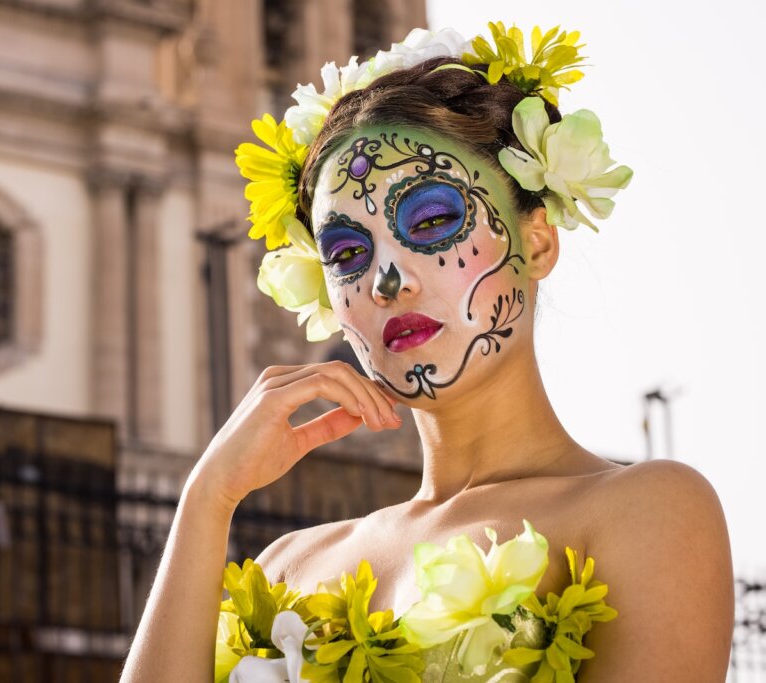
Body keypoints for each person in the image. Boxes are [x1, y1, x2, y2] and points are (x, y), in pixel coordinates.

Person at [120, 23, 733, 683]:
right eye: (349, 253)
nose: (389, 280)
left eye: (434, 221)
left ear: (539, 242)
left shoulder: (649, 511)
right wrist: (209, 496)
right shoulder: (284, 567)